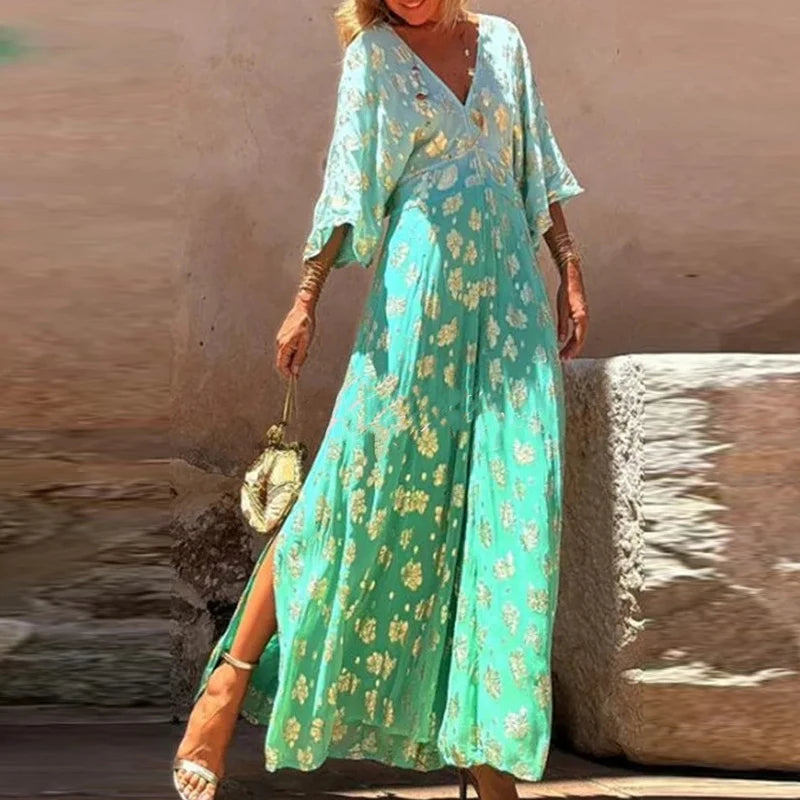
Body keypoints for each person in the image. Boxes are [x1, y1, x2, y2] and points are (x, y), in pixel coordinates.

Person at [172, 1, 589, 798]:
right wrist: (306, 296)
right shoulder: (373, 59)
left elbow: (536, 163)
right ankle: (225, 689)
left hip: (509, 309)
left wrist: (568, 265)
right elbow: (347, 182)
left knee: (513, 516)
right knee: (348, 492)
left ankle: (490, 765)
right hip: (418, 305)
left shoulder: (503, 43)